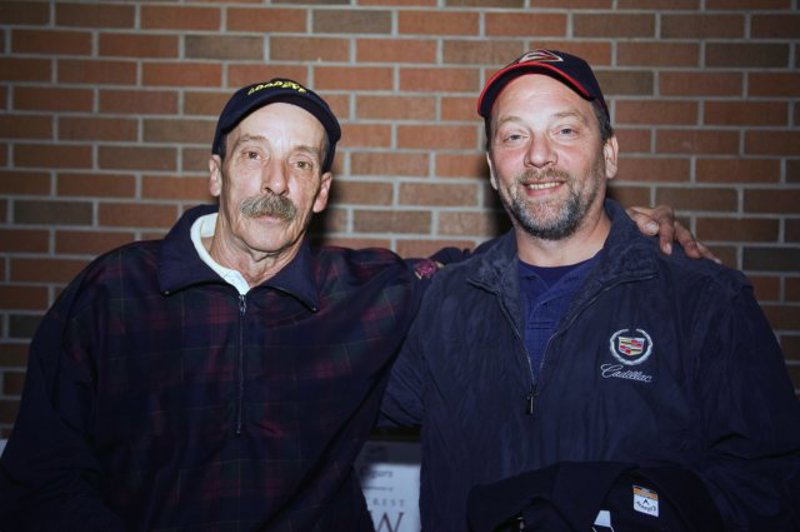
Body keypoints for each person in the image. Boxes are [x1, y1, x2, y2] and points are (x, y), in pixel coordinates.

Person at [0, 77, 708, 531]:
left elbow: (495, 264)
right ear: (216, 172)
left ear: (322, 191)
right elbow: (42, 479)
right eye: (253, 155)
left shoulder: (366, 296)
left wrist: (612, 227)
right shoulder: (113, 294)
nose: (275, 182)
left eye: (301, 163)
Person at [380, 50, 800, 531]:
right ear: (493, 170)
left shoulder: (704, 302)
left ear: (609, 154)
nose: (539, 155)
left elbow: (771, 490)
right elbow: (332, 386)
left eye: (565, 130)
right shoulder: (446, 303)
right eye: (514, 135)